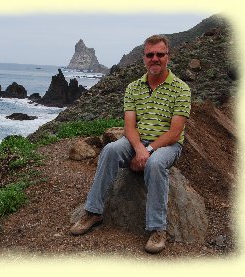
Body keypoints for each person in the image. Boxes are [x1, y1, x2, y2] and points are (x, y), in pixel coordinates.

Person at [69, 34, 191, 254]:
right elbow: (129, 127)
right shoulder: (133, 88)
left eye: (160, 54)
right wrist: (139, 149)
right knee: (110, 150)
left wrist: (148, 151)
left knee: (155, 164)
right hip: (138, 141)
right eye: (150, 55)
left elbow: (174, 133)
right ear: (144, 58)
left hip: (168, 146)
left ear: (168, 57)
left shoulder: (181, 89)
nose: (155, 59)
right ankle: (93, 212)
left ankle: (157, 229)